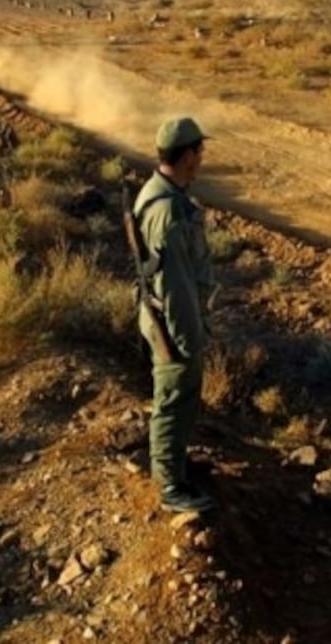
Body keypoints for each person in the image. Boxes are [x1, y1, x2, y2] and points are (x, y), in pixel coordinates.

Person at [132, 117, 216, 513]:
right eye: (199, 151)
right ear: (186, 157)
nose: (202, 158)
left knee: (180, 397)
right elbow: (177, 287)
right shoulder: (168, 212)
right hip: (173, 324)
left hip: (165, 317)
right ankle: (170, 486)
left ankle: (175, 466)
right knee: (173, 397)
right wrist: (188, 340)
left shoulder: (162, 193)